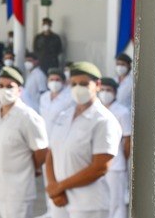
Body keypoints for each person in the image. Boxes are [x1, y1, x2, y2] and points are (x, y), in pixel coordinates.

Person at [45, 62, 122, 218]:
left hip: (89, 205)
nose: (78, 88)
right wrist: (54, 187)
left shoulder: (103, 120)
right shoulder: (64, 116)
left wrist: (60, 186)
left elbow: (100, 167)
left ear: (97, 85)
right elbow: (51, 153)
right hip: (61, 201)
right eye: (73, 84)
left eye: (84, 84)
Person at [0, 66, 48, 218]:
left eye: (9, 87)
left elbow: (41, 151)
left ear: (19, 91)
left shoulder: (28, 117)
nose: (4, 90)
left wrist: (29, 167)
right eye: (1, 86)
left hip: (18, 192)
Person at [38, 68, 74, 217]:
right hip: (45, 143)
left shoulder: (69, 98)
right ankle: (50, 209)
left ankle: (61, 211)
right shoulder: (44, 97)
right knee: (48, 177)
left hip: (59, 143)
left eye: (57, 80)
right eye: (51, 80)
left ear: (64, 82)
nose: (54, 83)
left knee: (59, 175)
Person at [98, 78, 131, 218]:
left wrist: (122, 158)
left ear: (115, 92)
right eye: (103, 90)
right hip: (97, 164)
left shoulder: (122, 112)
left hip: (116, 164)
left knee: (116, 202)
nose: (105, 93)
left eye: (109, 90)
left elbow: (128, 138)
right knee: (101, 200)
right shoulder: (95, 109)